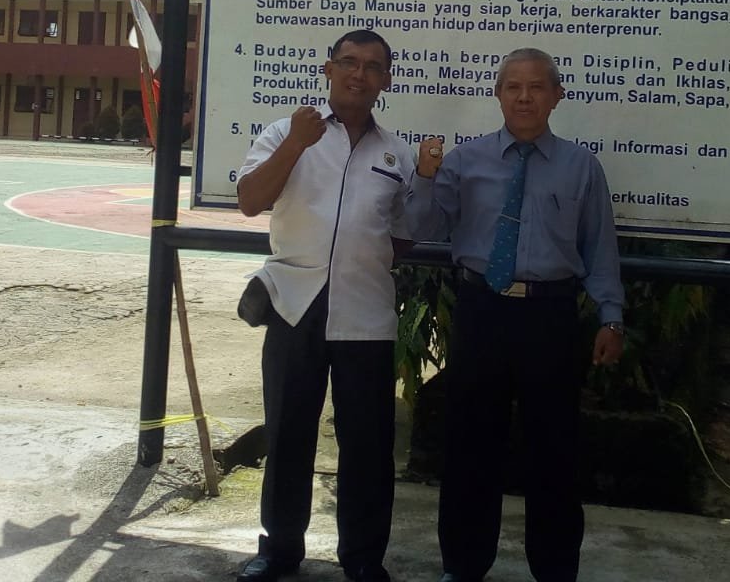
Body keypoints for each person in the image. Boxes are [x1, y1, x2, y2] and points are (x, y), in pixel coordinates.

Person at [407, 47, 625, 582]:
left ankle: (554, 569)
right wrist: (426, 177)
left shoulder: (581, 167)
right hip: (481, 310)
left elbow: (599, 248)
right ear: (498, 95)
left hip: (549, 316)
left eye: (536, 87)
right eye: (513, 87)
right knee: (470, 445)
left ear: (557, 96)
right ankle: (463, 565)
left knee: (554, 449)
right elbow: (426, 228)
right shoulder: (465, 161)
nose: (524, 97)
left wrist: (610, 316)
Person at [235, 29, 415, 582]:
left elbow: (403, 235)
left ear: (386, 80)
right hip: (295, 307)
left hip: (367, 315)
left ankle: (362, 558)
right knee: (288, 434)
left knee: (368, 445)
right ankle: (279, 550)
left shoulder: (397, 153)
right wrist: (296, 143)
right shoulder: (283, 132)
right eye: (349, 62)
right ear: (328, 69)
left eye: (372, 66)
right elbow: (249, 200)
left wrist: (362, 256)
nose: (359, 74)